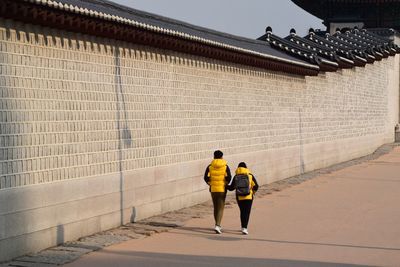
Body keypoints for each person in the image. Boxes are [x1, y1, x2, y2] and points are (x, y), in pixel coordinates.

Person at [204, 150, 232, 234]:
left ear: (214, 156)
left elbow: (205, 177)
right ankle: (217, 225)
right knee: (220, 207)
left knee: (215, 207)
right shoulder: (225, 166)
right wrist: (226, 184)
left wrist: (210, 184)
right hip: (222, 189)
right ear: (222, 157)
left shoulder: (210, 166)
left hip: (213, 189)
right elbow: (229, 177)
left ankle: (217, 224)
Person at [228, 162, 259, 235]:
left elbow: (232, 187)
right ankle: (244, 228)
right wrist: (252, 191)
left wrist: (225, 186)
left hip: (239, 197)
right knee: (247, 212)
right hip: (249, 197)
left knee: (242, 211)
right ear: (246, 168)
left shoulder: (236, 176)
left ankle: (243, 227)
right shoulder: (250, 176)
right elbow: (256, 186)